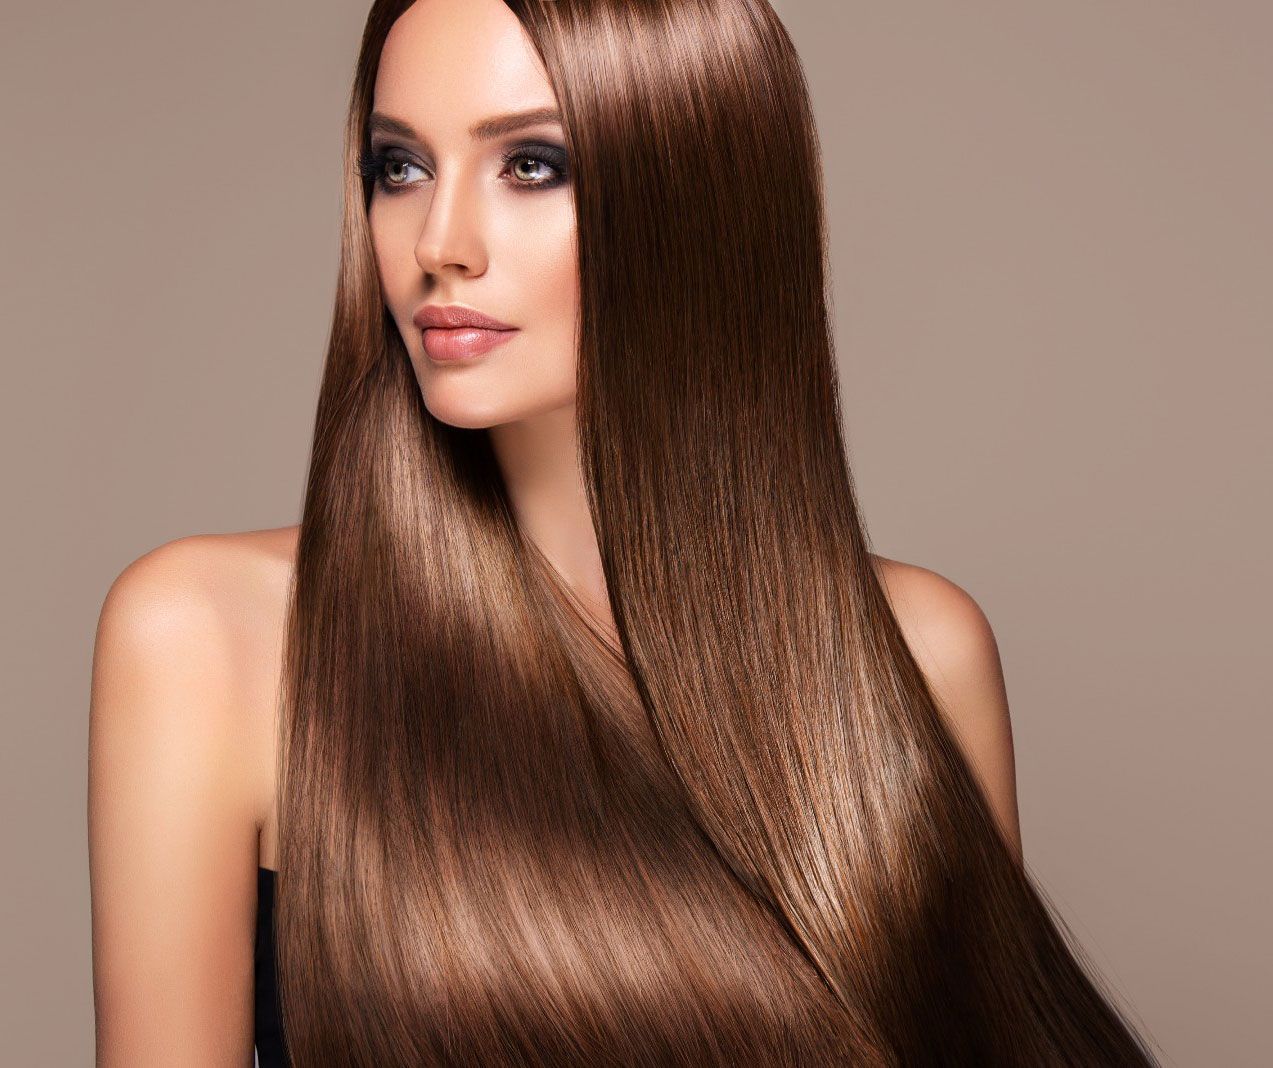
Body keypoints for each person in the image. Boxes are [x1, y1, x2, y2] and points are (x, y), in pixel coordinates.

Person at [88, 1, 1160, 1064]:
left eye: (533, 166)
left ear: (700, 202)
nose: (438, 244)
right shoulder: (207, 640)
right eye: (399, 167)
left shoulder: (919, 652)